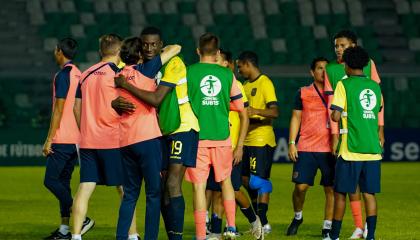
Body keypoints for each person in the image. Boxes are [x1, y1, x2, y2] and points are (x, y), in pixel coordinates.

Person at [111, 36, 181, 240]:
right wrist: (158, 51)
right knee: (153, 194)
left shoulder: (118, 75)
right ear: (140, 54)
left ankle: (121, 237)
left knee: (130, 195)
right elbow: (175, 48)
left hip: (125, 141)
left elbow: (112, 103)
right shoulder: (147, 69)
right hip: (147, 140)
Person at [325, 30, 385, 239]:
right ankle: (371, 236)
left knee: (341, 193)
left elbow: (335, 115)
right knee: (370, 194)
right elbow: (378, 110)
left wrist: (339, 112)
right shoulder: (374, 87)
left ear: (348, 65)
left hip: (350, 149)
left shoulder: (344, 84)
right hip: (372, 150)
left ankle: (334, 236)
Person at [71, 34, 131, 240]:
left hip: (88, 141)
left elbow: (76, 108)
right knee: (125, 191)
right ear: (119, 51)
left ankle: (76, 236)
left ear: (100, 51)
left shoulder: (85, 73)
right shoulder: (119, 74)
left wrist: (86, 129)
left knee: (84, 188)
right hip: (113, 140)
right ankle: (132, 236)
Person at [185, 33, 244, 240]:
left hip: (197, 138)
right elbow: (239, 107)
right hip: (222, 137)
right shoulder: (227, 75)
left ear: (198, 51)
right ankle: (232, 228)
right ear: (218, 52)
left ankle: (201, 235)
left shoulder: (188, 72)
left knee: (199, 187)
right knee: (225, 182)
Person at [205, 49, 262, 240]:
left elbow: (244, 118)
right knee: (214, 189)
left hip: (231, 148)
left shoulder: (235, 85)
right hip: (213, 144)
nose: (214, 63)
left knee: (234, 190)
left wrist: (240, 146)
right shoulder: (210, 85)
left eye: (218, 60)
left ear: (227, 63)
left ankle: (254, 221)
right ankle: (214, 231)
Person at [285, 57, 335, 240]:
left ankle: (327, 228)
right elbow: (296, 118)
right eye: (320, 68)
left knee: (330, 189)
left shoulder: (337, 92)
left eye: (326, 69)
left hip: (331, 148)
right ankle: (298, 217)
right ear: (312, 72)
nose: (323, 72)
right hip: (306, 146)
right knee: (300, 187)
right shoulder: (303, 92)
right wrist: (291, 142)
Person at [42, 37, 85, 240]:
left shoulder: (63, 75)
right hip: (75, 138)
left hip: (62, 137)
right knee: (64, 183)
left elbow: (59, 108)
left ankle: (82, 218)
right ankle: (65, 229)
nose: (54, 52)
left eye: (55, 49)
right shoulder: (79, 74)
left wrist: (49, 138)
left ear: (60, 51)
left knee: (50, 181)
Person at [237, 51, 278, 235]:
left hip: (261, 140)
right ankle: (261, 221)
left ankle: (263, 221)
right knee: (245, 181)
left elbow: (274, 112)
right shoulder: (245, 85)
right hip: (246, 140)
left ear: (247, 64)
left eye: (240, 66)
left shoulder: (265, 82)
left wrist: (255, 110)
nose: (239, 70)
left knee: (259, 182)